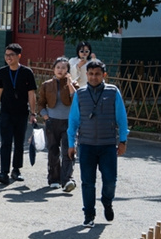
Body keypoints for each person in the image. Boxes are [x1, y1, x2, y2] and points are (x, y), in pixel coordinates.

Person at [68, 59, 129, 227]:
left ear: (104, 75)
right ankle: (89, 214)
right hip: (86, 145)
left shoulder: (113, 92)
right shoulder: (80, 94)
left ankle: (107, 201)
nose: (94, 77)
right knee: (88, 182)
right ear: (86, 75)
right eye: (91, 74)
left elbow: (122, 119)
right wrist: (71, 143)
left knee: (110, 181)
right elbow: (73, 121)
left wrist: (123, 141)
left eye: (97, 74)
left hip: (108, 145)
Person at [0, 43, 37, 185]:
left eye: (11, 55)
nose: (8, 58)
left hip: (21, 112)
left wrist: (33, 113)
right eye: (6, 55)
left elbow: (31, 93)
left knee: (19, 142)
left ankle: (16, 170)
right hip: (6, 112)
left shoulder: (27, 72)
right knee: (5, 142)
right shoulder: (3, 71)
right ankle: (3, 172)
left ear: (19, 56)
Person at [37, 56, 77, 192]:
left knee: (68, 151)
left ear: (68, 70)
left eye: (64, 68)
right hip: (52, 122)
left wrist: (70, 83)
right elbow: (40, 103)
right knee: (53, 151)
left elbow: (76, 100)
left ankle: (67, 180)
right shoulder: (46, 85)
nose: (60, 70)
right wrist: (46, 116)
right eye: (58, 67)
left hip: (69, 123)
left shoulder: (73, 84)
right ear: (53, 69)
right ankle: (54, 179)